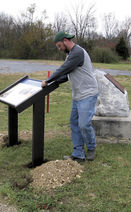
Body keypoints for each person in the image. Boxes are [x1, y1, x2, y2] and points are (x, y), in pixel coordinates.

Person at [41, 31, 99, 162]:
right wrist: (55, 83)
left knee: (84, 124)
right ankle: (78, 154)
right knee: (74, 123)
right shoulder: (70, 55)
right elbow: (67, 75)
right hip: (78, 95)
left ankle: (91, 148)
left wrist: (48, 80)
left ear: (66, 41)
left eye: (60, 46)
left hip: (88, 94)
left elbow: (64, 69)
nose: (60, 49)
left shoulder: (77, 52)